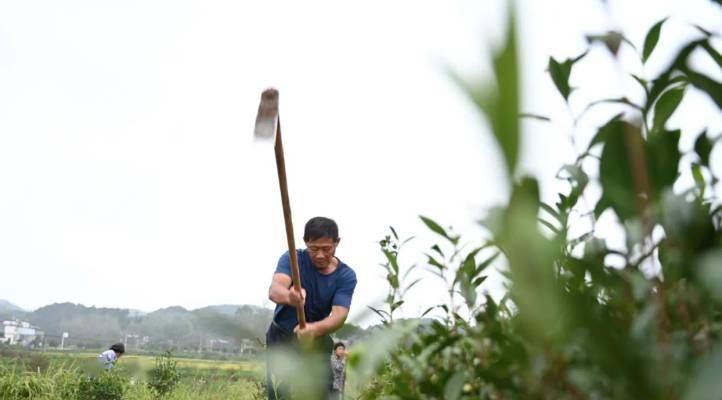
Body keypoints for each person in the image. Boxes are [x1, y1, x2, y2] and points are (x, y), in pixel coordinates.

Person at [266, 217, 358, 400]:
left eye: (326, 249)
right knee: (281, 393)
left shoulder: (345, 275)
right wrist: (290, 297)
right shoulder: (293, 259)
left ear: (337, 242)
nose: (320, 255)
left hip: (317, 341)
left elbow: (339, 316)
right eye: (314, 249)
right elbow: (275, 290)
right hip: (282, 339)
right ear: (305, 242)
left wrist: (313, 329)